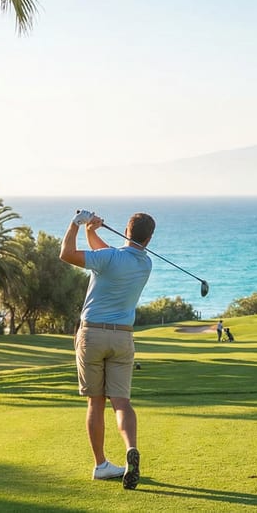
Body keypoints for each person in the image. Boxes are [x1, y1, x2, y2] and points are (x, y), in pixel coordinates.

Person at [60, 210, 155, 489]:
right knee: (121, 403)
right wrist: (93, 231)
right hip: (123, 338)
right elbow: (107, 256)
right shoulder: (145, 264)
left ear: (126, 230)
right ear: (149, 238)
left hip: (93, 335)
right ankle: (130, 449)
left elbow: (66, 254)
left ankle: (101, 464)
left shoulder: (110, 258)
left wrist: (76, 224)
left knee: (96, 402)